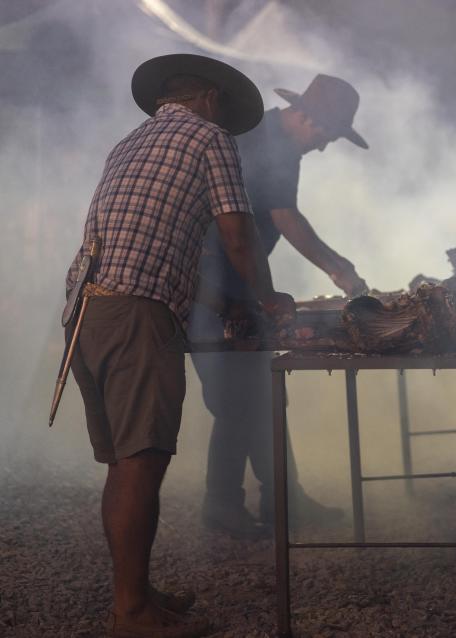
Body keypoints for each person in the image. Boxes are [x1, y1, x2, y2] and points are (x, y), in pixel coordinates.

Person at [64, 54, 295, 637]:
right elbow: (237, 236)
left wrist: (223, 306)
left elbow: (160, 243)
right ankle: (133, 614)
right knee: (142, 462)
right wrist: (269, 300)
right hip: (136, 313)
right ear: (211, 99)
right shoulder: (210, 138)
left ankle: (136, 595)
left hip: (88, 309)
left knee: (125, 461)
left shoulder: (130, 143)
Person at [190, 73, 369, 539]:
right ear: (306, 116)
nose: (326, 146)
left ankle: (280, 500)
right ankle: (226, 505)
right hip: (211, 290)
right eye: (327, 135)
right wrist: (338, 268)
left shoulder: (277, 142)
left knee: (259, 395)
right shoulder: (267, 142)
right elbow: (285, 218)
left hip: (234, 288)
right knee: (238, 399)